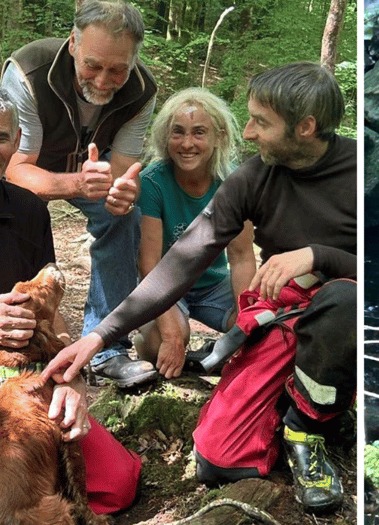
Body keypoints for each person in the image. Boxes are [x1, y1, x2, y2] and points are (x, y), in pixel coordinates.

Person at [43, 62, 356, 514]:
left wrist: (319, 256)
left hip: (351, 314)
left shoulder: (359, 171)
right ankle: (288, 396)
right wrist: (98, 337)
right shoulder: (254, 177)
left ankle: (309, 429)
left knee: (345, 299)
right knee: (217, 458)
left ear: (305, 127)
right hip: (289, 312)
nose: (247, 133)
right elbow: (181, 262)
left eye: (261, 123)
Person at [1, 0, 158, 388]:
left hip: (94, 166)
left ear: (134, 62)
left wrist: (120, 194)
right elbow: (15, 169)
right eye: (93, 65)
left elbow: (121, 170)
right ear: (73, 43)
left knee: (124, 216)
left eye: (117, 69)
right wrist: (75, 182)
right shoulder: (29, 72)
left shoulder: (141, 90)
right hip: (32, 163)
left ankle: (106, 348)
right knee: (20, 211)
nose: (104, 80)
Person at [0, 88, 141, 515]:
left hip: (24, 380)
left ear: (19, 139)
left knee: (115, 484)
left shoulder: (27, 210)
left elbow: (55, 318)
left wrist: (72, 382)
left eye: (2, 136)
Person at [134, 88, 255, 379]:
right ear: (166, 136)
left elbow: (241, 258)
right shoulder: (152, 182)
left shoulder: (236, 183)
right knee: (160, 342)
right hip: (167, 286)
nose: (187, 143)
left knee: (262, 330)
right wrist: (171, 332)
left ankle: (219, 348)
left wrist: (246, 324)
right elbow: (148, 266)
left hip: (214, 284)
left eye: (199, 133)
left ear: (219, 137)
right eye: (178, 132)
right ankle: (143, 337)